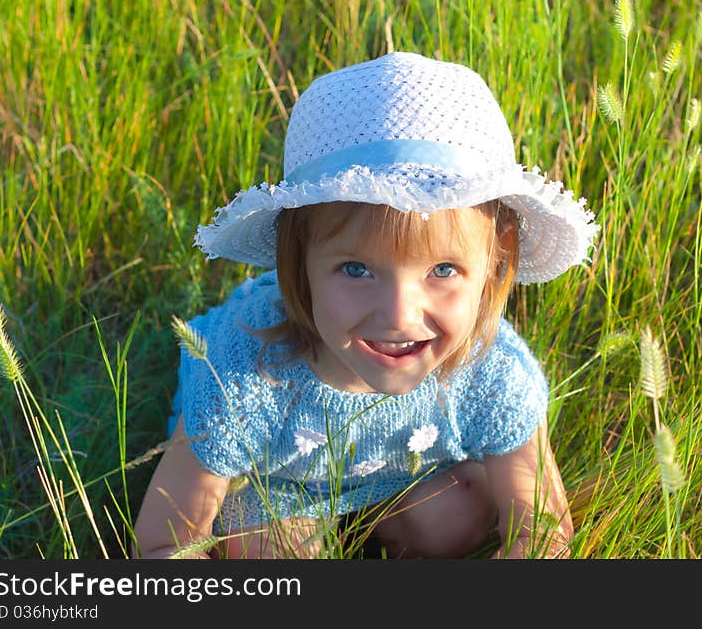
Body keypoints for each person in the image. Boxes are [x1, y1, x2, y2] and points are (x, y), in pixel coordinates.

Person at [133, 51, 599, 559]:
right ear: (297, 264)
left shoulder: (494, 372)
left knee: (459, 514)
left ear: (494, 263)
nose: (399, 315)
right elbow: (164, 544)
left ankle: (389, 525)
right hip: (280, 481)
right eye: (356, 270)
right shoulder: (244, 374)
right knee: (267, 553)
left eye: (442, 270)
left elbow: (544, 533)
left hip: (412, 473)